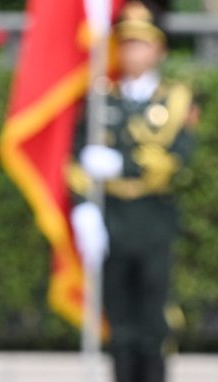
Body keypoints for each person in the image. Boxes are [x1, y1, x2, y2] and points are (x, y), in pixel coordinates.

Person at [68, 2, 198, 382]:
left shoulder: (175, 99)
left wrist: (121, 165)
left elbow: (174, 160)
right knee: (118, 319)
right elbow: (76, 159)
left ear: (159, 49)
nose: (132, 52)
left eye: (142, 44)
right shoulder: (101, 96)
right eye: (126, 44)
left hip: (152, 220)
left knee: (153, 320)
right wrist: (83, 209)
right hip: (111, 219)